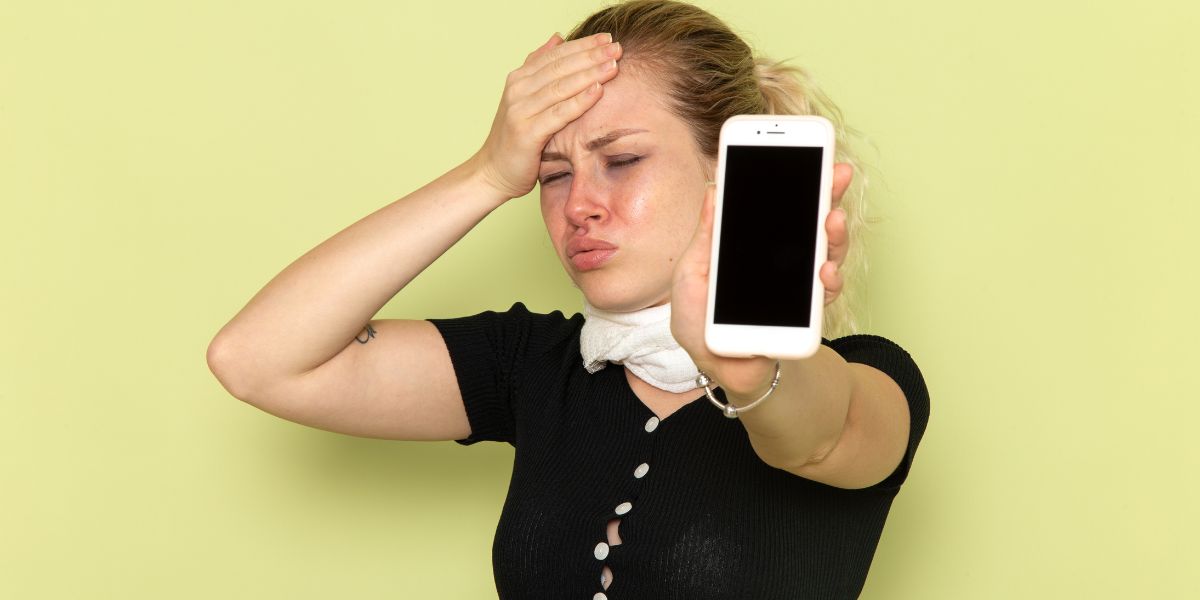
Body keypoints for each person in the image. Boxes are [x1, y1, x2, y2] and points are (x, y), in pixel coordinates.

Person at [206, 1, 930, 598]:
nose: (580, 203)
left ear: (727, 172)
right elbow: (257, 360)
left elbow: (819, 436)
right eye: (553, 174)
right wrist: (487, 174)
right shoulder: (533, 365)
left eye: (621, 161)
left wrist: (751, 371)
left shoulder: (871, 380)